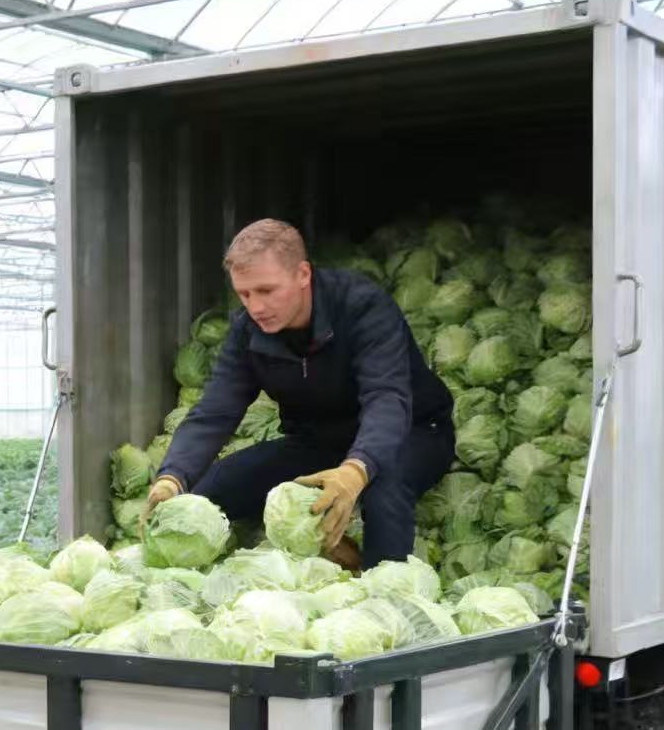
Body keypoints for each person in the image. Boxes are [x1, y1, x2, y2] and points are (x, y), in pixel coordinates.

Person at [147, 219, 455, 568]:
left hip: (411, 432)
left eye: (266, 290)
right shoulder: (248, 330)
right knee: (211, 488)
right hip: (319, 441)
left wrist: (356, 470)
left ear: (303, 274)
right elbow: (215, 411)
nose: (255, 307)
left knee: (384, 490)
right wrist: (172, 477)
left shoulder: (362, 307)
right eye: (245, 294)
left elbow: (387, 399)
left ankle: (382, 587)